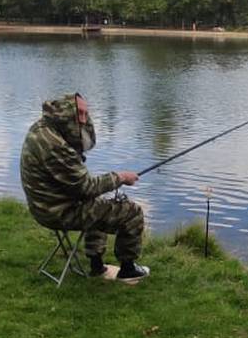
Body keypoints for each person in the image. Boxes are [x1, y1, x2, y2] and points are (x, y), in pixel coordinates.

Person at [20, 93, 151, 283]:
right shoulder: (55, 145)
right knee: (132, 212)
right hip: (56, 213)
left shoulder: (43, 128)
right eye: (79, 113)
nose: (83, 119)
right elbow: (87, 187)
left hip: (45, 206)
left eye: (85, 113)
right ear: (67, 112)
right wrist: (121, 177)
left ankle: (97, 267)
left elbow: (82, 187)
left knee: (96, 202)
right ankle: (128, 270)